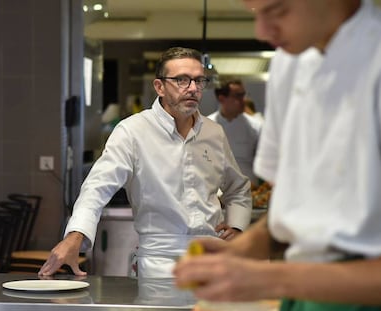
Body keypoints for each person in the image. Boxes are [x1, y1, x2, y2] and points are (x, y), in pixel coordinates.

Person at [174, 0, 381, 309]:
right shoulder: (289, 62)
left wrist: (270, 278)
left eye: (278, 10)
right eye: (255, 12)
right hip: (302, 295)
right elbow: (296, 207)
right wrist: (240, 249)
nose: (262, 31)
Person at [38, 47, 252, 278]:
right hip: (160, 262)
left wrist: (238, 226)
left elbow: (238, 188)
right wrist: (75, 235)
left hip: (214, 257)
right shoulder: (132, 131)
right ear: (159, 86)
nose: (193, 88)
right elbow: (97, 188)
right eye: (182, 80)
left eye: (199, 81)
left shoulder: (213, 132)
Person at [207, 78, 261, 187]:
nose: (243, 100)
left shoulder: (256, 127)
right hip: (216, 192)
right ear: (222, 98)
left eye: (243, 95)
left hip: (248, 191)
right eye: (238, 96)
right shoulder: (206, 126)